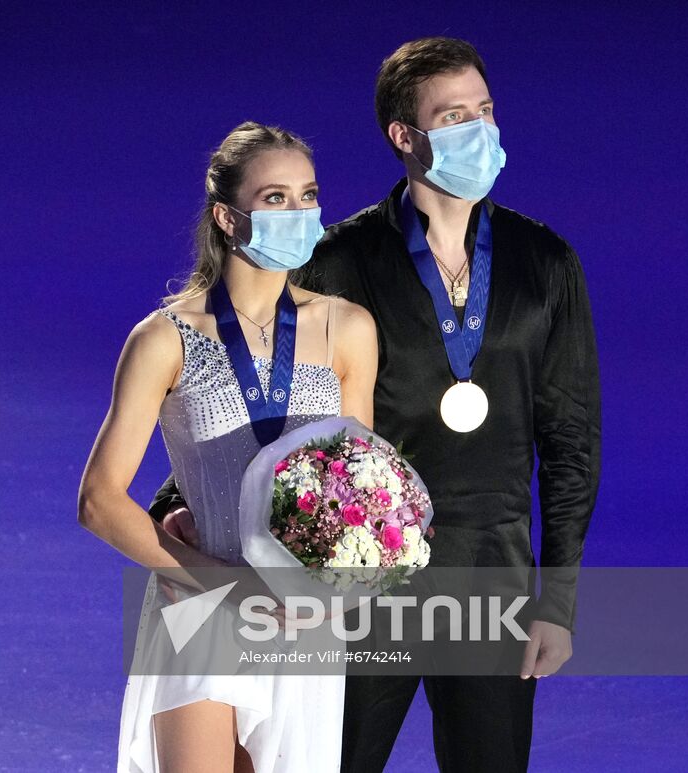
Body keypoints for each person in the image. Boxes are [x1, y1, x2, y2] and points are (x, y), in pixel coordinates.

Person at [151, 38, 602, 772]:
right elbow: (260, 393)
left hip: (491, 582)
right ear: (405, 135)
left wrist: (560, 599)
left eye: (483, 111)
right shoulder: (338, 259)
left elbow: (572, 438)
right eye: (454, 116)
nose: (479, 131)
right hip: (354, 584)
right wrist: (181, 503)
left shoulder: (544, 263)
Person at [80, 122, 378, 772]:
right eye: (276, 198)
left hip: (304, 620)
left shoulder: (348, 329)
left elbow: (361, 491)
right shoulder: (164, 338)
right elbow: (100, 500)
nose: (299, 213)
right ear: (227, 216)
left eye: (309, 195)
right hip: (202, 601)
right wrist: (218, 577)